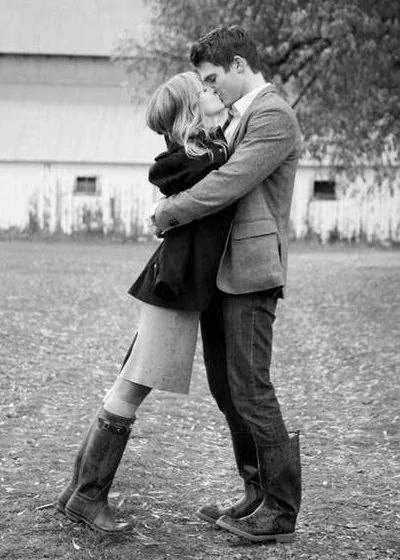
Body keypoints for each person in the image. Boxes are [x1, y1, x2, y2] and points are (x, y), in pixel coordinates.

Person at [55, 71, 235, 534]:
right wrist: (219, 138)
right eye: (205, 91)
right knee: (132, 387)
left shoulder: (198, 156)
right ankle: (87, 497)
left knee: (128, 382)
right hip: (174, 287)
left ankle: (76, 491)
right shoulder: (198, 161)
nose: (215, 93)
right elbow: (201, 168)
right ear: (193, 110)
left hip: (174, 284)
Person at [152, 26, 303, 543]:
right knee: (226, 389)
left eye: (213, 78)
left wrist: (170, 211)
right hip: (219, 268)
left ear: (240, 65)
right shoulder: (236, 116)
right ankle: (256, 491)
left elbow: (228, 183)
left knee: (251, 388)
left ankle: (281, 509)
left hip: (251, 271)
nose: (209, 88)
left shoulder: (273, 115)